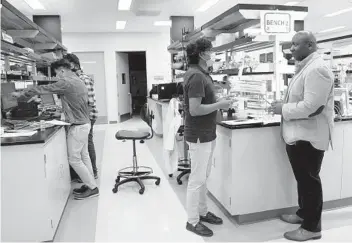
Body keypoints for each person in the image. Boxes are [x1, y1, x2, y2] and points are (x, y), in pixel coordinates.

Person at [270, 31, 334, 241]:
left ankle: (312, 228)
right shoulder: (306, 67)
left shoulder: (317, 69)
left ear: (310, 45)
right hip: (300, 135)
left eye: (295, 45)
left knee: (309, 182)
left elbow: (312, 107)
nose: (292, 49)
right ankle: (303, 214)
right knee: (303, 180)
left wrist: (283, 109)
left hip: (309, 137)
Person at [12, 59, 99, 200]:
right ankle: (90, 184)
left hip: (78, 127)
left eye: (57, 74)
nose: (57, 77)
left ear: (62, 71)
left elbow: (41, 89)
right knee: (84, 156)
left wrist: (21, 95)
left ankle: (93, 188)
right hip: (84, 124)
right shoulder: (78, 80)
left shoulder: (67, 82)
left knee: (74, 159)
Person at [183, 37, 232, 237]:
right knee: (196, 179)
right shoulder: (196, 76)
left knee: (203, 177)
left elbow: (202, 99)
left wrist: (217, 96)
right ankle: (192, 221)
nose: (213, 55)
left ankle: (202, 212)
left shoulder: (202, 74)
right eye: (210, 51)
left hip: (206, 133)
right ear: (202, 54)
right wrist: (220, 105)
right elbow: (195, 109)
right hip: (199, 135)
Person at [64, 53, 99, 179]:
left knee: (87, 143)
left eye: (65, 67)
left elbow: (89, 102)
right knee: (83, 146)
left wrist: (82, 120)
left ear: (73, 65)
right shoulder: (75, 79)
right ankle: (86, 173)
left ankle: (92, 172)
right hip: (82, 116)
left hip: (88, 116)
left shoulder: (83, 79)